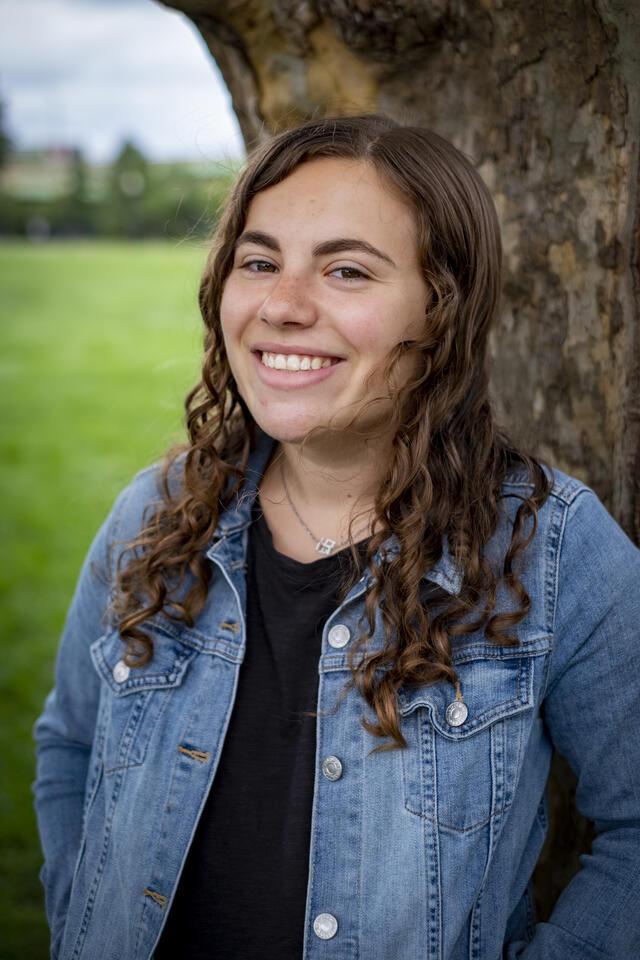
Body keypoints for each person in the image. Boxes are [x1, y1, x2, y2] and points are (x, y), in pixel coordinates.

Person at [33, 114, 640, 960]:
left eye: (347, 270)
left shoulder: (552, 550)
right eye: (259, 261)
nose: (283, 305)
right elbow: (70, 746)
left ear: (443, 310)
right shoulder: (154, 518)